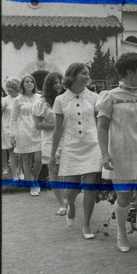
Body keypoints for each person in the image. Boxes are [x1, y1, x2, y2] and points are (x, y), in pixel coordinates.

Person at [97, 53, 137, 265]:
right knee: (123, 198)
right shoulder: (110, 96)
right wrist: (104, 154)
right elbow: (102, 126)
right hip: (121, 153)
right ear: (129, 72)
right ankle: (121, 233)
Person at [50, 63, 100, 238]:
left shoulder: (95, 97)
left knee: (90, 186)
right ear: (72, 76)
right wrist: (53, 154)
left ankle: (86, 224)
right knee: (69, 192)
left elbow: (100, 124)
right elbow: (57, 130)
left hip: (92, 146)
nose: (87, 76)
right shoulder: (60, 100)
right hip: (71, 147)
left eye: (88, 73)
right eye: (83, 73)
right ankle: (71, 205)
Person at [33, 72, 67, 215]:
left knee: (68, 171)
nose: (58, 85)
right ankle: (61, 204)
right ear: (49, 85)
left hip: (68, 140)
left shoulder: (67, 99)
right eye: (55, 82)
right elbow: (38, 125)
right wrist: (57, 125)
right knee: (54, 171)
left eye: (60, 82)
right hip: (50, 141)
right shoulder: (42, 103)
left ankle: (67, 197)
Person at [10, 75, 42, 195]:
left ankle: (35, 178)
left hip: (38, 130)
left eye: (31, 82)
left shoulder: (40, 97)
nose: (29, 84)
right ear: (22, 85)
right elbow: (13, 118)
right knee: (26, 159)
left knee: (39, 158)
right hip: (23, 131)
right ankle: (32, 185)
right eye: (26, 82)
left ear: (34, 84)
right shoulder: (18, 99)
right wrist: (12, 135)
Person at [2, 78, 21, 179]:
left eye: (11, 87)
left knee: (21, 152)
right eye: (7, 87)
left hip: (21, 127)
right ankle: (15, 175)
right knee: (12, 151)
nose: (8, 89)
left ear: (16, 87)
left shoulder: (21, 98)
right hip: (8, 128)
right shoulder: (4, 100)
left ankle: (20, 169)